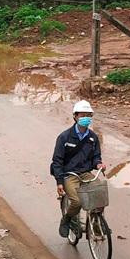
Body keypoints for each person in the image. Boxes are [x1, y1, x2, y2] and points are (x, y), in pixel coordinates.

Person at [50, 100, 106, 238]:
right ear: (75, 116)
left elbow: (96, 157)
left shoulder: (93, 138)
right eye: (83, 115)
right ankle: (67, 219)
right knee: (77, 202)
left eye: (88, 115)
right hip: (69, 175)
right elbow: (57, 161)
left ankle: (95, 224)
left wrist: (98, 164)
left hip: (86, 173)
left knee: (100, 196)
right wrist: (59, 181)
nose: (86, 118)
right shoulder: (64, 137)